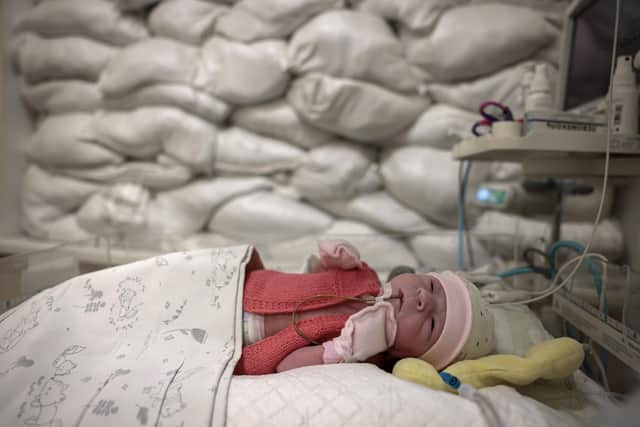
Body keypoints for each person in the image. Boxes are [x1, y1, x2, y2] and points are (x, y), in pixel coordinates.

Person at [234, 240, 494, 375]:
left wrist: (341, 350)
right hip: (244, 286)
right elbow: (311, 283)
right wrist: (333, 261)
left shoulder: (365, 357)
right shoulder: (364, 276)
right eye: (432, 286)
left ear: (408, 358)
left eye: (433, 324)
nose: (424, 298)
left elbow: (284, 366)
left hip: (237, 339)